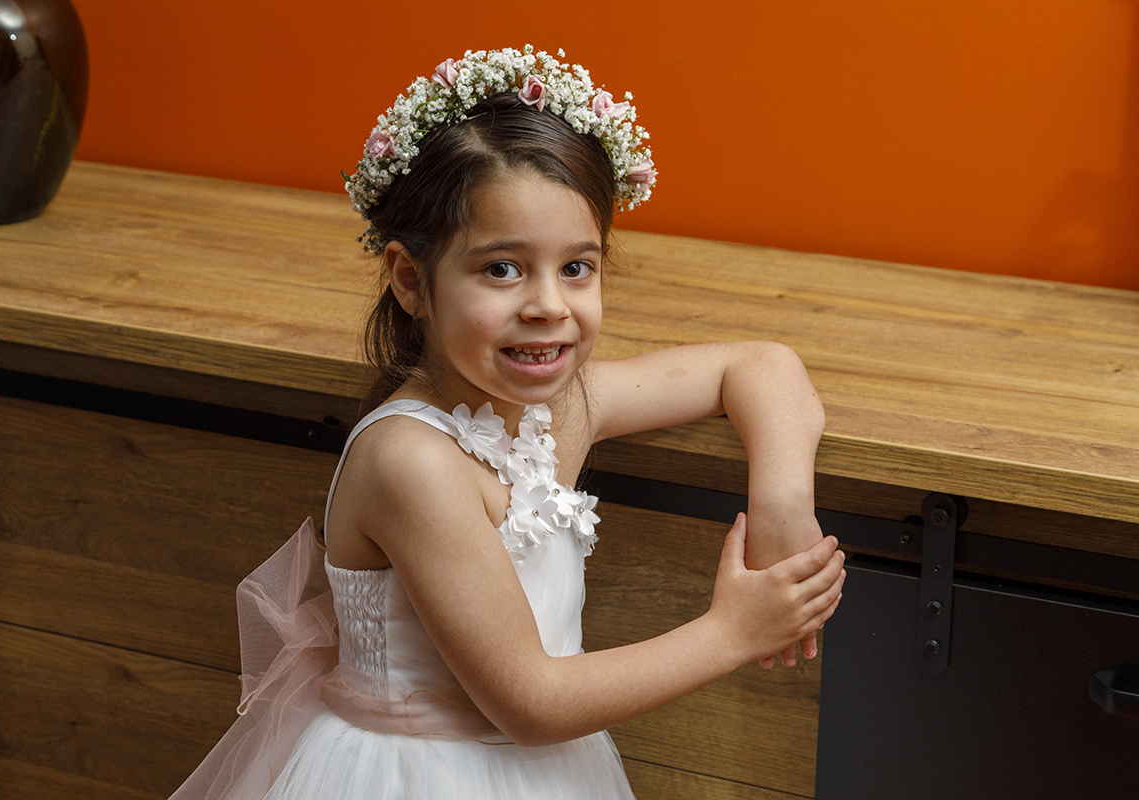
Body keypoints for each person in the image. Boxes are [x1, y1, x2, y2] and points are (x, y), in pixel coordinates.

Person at [170, 46, 845, 800]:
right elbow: (531, 702)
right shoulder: (412, 461)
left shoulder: (560, 408)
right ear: (410, 280)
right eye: (501, 268)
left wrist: (783, 509)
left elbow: (761, 366)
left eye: (576, 267)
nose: (548, 305)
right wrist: (732, 632)